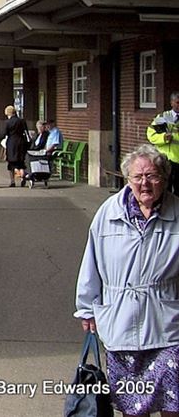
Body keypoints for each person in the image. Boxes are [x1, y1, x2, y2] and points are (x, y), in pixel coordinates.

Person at [74, 145, 179, 417]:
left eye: (152, 176)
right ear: (128, 179)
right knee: (133, 408)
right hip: (121, 324)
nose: (145, 183)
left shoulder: (177, 212)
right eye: (138, 176)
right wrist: (86, 308)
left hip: (167, 324)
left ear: (164, 179)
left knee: (174, 402)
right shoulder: (108, 213)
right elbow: (92, 263)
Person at [147, 91, 179, 196]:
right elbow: (151, 136)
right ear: (172, 103)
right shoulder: (163, 117)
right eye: (178, 102)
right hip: (164, 159)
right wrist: (163, 137)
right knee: (164, 189)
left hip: (178, 160)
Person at [2, 105, 29, 187]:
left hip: (11, 143)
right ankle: (22, 176)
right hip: (21, 143)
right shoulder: (22, 121)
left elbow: (4, 133)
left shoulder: (7, 122)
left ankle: (12, 181)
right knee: (21, 162)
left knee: (11, 163)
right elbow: (26, 131)